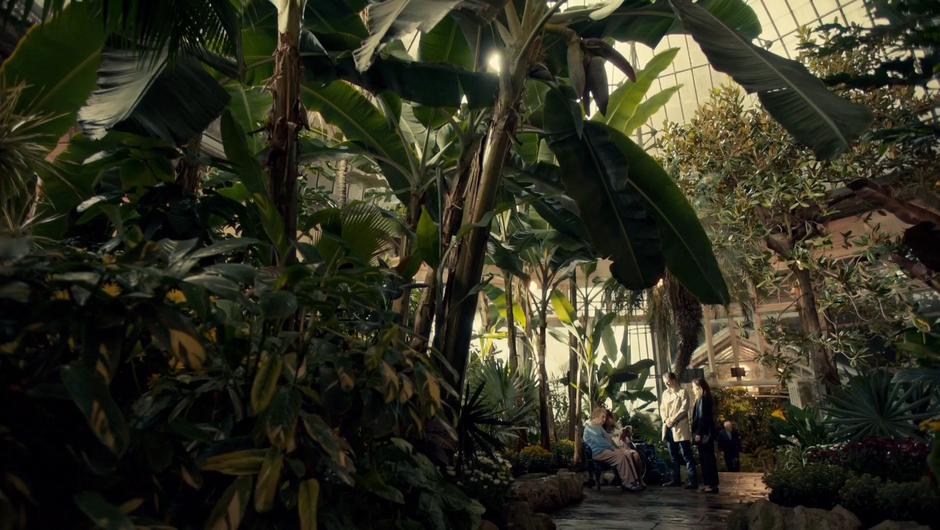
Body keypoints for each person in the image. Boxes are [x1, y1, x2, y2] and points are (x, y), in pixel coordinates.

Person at [583, 407, 643, 492]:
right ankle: (627, 483)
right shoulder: (589, 428)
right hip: (598, 453)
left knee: (627, 454)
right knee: (620, 456)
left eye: (605, 417)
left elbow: (609, 438)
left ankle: (635, 481)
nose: (604, 420)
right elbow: (601, 442)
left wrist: (618, 448)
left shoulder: (598, 427)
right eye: (602, 417)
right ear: (596, 417)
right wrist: (615, 450)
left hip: (606, 451)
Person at [659, 372, 698, 489]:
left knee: (686, 454)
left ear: (674, 380)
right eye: (665, 382)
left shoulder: (683, 392)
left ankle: (692, 481)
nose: (666, 384)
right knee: (673, 455)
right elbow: (662, 408)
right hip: (669, 428)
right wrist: (666, 420)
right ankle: (675, 479)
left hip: (680, 426)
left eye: (668, 382)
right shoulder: (665, 393)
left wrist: (673, 420)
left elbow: (684, 409)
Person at [691, 378, 719, 493]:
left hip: (704, 434)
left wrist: (698, 432)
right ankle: (711, 483)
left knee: (706, 459)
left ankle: (710, 484)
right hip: (707, 433)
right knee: (708, 459)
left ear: (699, 388)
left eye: (694, 388)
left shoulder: (702, 399)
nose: (693, 390)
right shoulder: (706, 398)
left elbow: (701, 417)